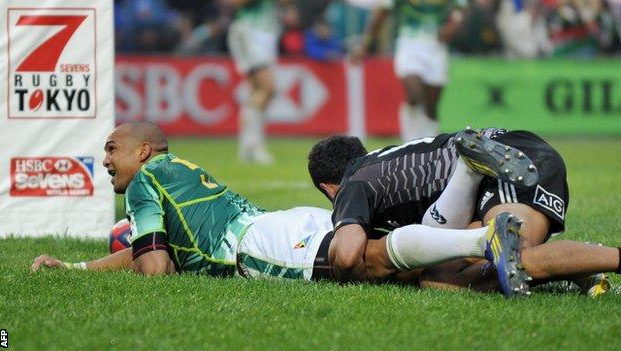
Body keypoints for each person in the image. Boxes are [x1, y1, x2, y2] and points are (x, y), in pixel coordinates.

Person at [31, 122, 525, 297]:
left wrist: (137, 233)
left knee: (372, 261)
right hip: (282, 224)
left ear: (142, 152)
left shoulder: (144, 182)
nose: (106, 160)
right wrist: (78, 266)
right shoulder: (177, 171)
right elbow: (167, 252)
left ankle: (482, 238)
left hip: (261, 246)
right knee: (417, 277)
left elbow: (156, 268)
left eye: (112, 148)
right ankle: (536, 269)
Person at [307, 128, 620, 296]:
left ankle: (605, 258)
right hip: (514, 157)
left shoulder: (353, 182)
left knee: (514, 258)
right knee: (439, 279)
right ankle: (579, 263)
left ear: (328, 188)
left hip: (509, 166)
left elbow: (346, 256)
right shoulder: (384, 162)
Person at [352, 0, 466, 141]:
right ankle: (410, 141)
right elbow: (381, 14)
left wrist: (453, 25)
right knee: (414, 95)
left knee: (431, 105)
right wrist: (365, 45)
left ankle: (433, 142)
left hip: (437, 47)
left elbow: (460, 9)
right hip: (409, 44)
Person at [226, 0, 279, 164]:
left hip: (263, 33)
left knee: (256, 90)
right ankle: (254, 146)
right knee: (268, 88)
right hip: (250, 32)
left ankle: (247, 146)